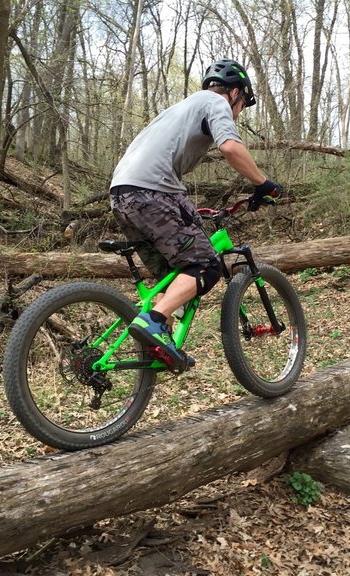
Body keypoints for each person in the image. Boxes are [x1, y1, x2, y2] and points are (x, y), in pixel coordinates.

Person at [109, 58, 281, 369]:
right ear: (236, 93)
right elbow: (230, 148)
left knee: (173, 276)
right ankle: (154, 321)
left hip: (122, 194)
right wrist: (263, 184)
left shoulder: (177, 110)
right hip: (153, 191)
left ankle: (160, 343)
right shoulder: (215, 102)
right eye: (242, 105)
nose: (238, 113)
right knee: (206, 266)